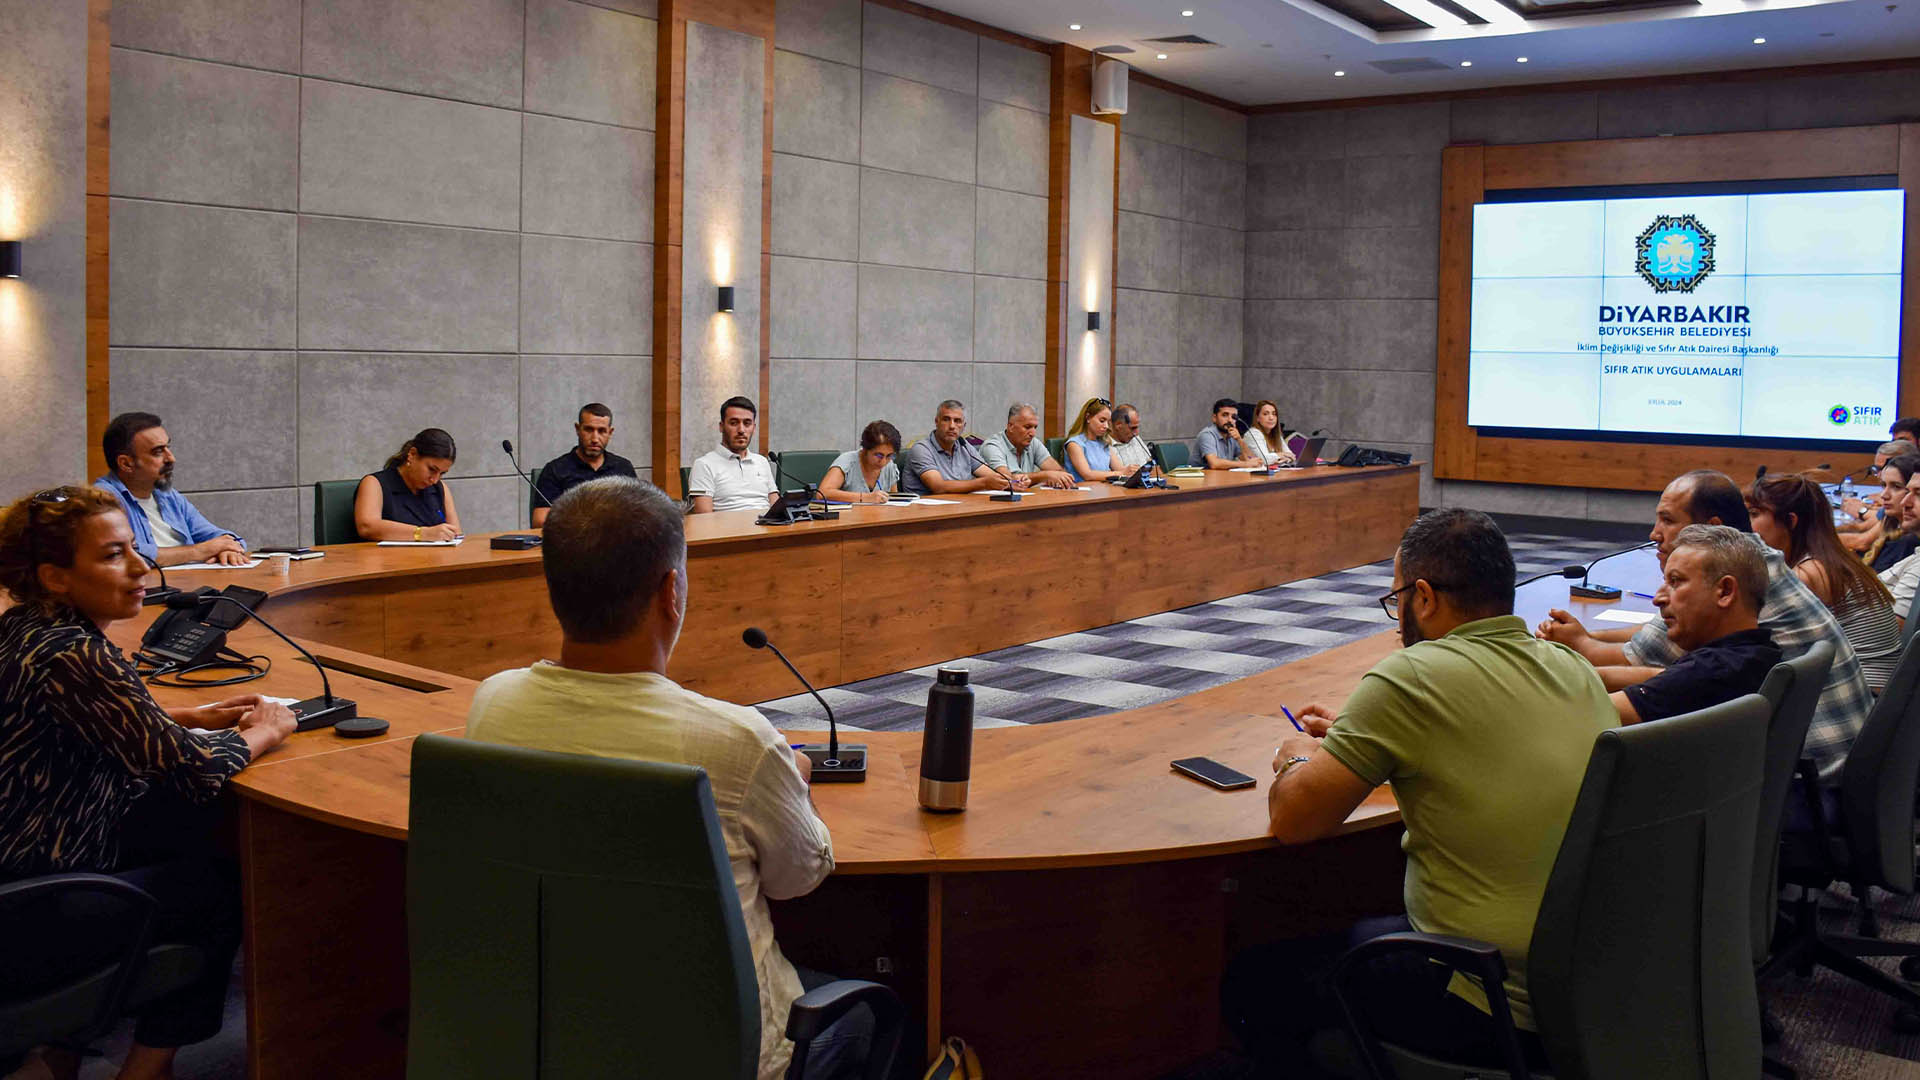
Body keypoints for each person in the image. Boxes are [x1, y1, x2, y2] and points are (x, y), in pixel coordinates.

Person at [464, 478, 866, 1080]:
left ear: (554, 591)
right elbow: (799, 879)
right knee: (870, 1016)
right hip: (729, 1050)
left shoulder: (492, 705)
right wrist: (794, 780)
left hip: (563, 1029)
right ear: (671, 592)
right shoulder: (739, 743)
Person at [1224, 509, 1612, 1076]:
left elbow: (1294, 820)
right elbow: (1480, 750)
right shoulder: (1572, 668)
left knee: (1256, 980)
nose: (1397, 614)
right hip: (1592, 983)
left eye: (1395, 599)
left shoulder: (1412, 675)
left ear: (1423, 597)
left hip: (1490, 997)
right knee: (1357, 931)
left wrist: (1297, 756)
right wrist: (1363, 742)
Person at [0, 486, 296, 1080]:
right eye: (114, 555)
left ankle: (60, 1051)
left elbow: (80, 725)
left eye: (134, 548)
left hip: (20, 868)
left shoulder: (23, 629)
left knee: (186, 831)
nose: (143, 568)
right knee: (214, 882)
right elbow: (194, 769)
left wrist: (186, 716)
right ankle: (145, 1070)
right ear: (55, 577)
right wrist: (266, 729)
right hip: (35, 904)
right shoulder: (78, 654)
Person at [1536, 470, 1869, 787]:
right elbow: (1659, 671)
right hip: (1820, 767)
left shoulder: (1719, 658)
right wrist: (1585, 642)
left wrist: (1572, 651)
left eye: (1667, 520)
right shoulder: (1749, 607)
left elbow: (1606, 699)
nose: (1654, 534)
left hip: (1801, 780)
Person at [1608, 524, 1780, 724]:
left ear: (1725, 591)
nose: (1658, 598)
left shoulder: (1710, 673)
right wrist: (1592, 675)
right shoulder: (1756, 655)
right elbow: (1669, 678)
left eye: (1676, 581)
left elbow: (1585, 714)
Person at [1747, 473, 1900, 692]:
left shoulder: (1811, 574)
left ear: (1791, 521)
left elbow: (1752, 635)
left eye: (1754, 514)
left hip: (1866, 700)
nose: (1748, 526)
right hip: (1877, 695)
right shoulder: (1830, 558)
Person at [93, 411, 249, 567]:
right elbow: (130, 555)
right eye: (158, 452)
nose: (171, 458)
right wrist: (199, 551)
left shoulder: (168, 496)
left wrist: (229, 549)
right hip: (146, 588)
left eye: (168, 447)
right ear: (126, 463)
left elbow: (218, 535)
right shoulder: (102, 499)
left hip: (191, 584)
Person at [532, 402, 638, 527]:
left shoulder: (623, 467)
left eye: (602, 431)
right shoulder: (555, 469)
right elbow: (540, 520)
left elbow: (637, 513)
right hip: (573, 541)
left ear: (610, 432)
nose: (595, 438)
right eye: (589, 429)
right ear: (578, 429)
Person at [355, 428, 463, 541]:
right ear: (412, 454)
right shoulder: (375, 483)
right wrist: (422, 534)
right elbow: (367, 527)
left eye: (442, 473)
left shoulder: (439, 488)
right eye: (431, 469)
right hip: (388, 557)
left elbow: (456, 534)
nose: (435, 479)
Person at [688, 397, 780, 514]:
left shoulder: (762, 462)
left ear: (754, 428)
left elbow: (777, 509)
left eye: (747, 423)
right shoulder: (704, 464)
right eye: (734, 423)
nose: (741, 430)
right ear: (721, 426)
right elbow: (704, 518)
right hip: (728, 531)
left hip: (768, 529)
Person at [901, 400, 1007, 496]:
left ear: (964, 426)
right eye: (946, 419)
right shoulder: (921, 449)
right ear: (936, 422)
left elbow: (992, 477)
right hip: (924, 513)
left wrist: (1012, 481)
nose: (952, 426)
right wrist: (984, 483)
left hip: (959, 508)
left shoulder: (964, 446)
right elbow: (938, 487)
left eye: (957, 421)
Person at [981, 403, 1075, 489]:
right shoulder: (992, 446)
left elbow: (1058, 472)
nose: (1033, 433)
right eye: (1027, 427)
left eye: (1035, 427)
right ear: (1011, 427)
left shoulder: (1033, 442)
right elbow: (1008, 480)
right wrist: (1045, 476)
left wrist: (1056, 477)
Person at [817, 420, 902, 505]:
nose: (883, 462)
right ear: (865, 449)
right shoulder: (846, 462)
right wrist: (865, 497)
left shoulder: (890, 466)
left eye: (889, 456)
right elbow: (822, 493)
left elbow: (893, 501)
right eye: (879, 455)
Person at [1863, 453, 1920, 570]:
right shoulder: (1892, 527)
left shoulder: (1909, 543)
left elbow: (1861, 541)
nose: (1884, 495)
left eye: (1896, 487)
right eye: (1884, 485)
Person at [1062, 398, 1129, 483]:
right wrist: (1119, 473)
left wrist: (1133, 471)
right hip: (1082, 493)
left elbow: (1120, 469)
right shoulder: (1074, 444)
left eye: (1108, 422)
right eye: (1102, 421)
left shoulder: (1104, 443)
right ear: (1088, 417)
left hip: (1104, 490)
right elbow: (1087, 475)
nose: (1106, 426)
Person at [1195, 398, 1262, 470]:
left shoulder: (1232, 435)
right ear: (1214, 418)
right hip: (1199, 479)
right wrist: (1245, 464)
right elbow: (1214, 464)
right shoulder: (1207, 435)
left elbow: (1249, 459)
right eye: (1225, 415)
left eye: (1233, 417)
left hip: (1221, 477)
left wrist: (1240, 440)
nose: (1230, 420)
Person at [1241, 400, 1296, 467]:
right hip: (1254, 475)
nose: (1271, 418)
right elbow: (1264, 459)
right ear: (1257, 418)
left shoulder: (1276, 435)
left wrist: (1283, 458)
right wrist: (1280, 455)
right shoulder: (1253, 434)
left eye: (1274, 414)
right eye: (1265, 414)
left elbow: (1291, 456)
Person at [1107, 404, 1152, 472]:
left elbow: (1152, 465)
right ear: (1118, 425)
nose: (1136, 433)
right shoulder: (1106, 445)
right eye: (1133, 428)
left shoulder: (1135, 438)